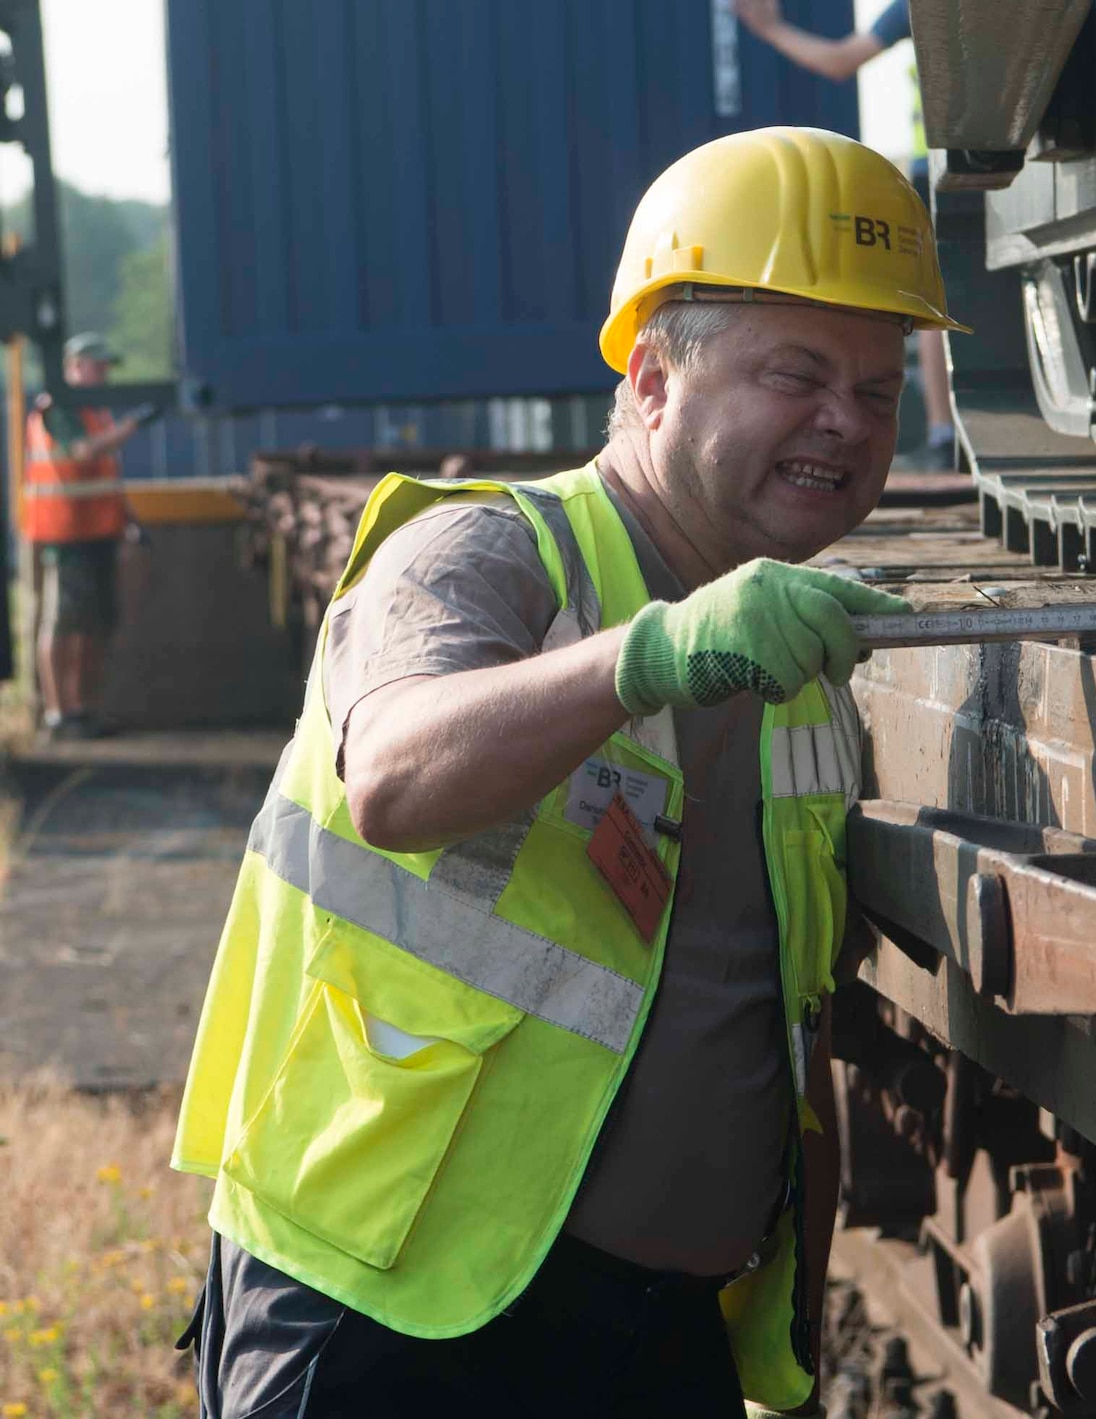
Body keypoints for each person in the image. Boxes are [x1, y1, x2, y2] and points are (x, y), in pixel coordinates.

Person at [170, 127, 965, 1418]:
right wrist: (652, 654)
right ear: (651, 380)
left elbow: (762, 1000)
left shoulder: (788, 652)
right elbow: (393, 769)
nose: (845, 420)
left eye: (879, 390)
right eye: (797, 373)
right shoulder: (482, 555)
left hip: (651, 1341)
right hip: (399, 1316)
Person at [734, 0, 959, 471]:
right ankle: (951, 430)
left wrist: (773, 31)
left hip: (943, 166)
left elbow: (841, 60)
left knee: (942, 305)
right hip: (990, 161)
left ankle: (946, 435)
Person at [22, 332, 149, 739]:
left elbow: (104, 475)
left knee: (93, 624)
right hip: (65, 536)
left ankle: (82, 710)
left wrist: (127, 518)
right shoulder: (58, 409)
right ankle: (60, 714)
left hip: (97, 533)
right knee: (62, 623)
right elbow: (82, 453)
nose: (104, 375)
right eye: (97, 367)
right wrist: (132, 426)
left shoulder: (94, 412)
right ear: (74, 367)